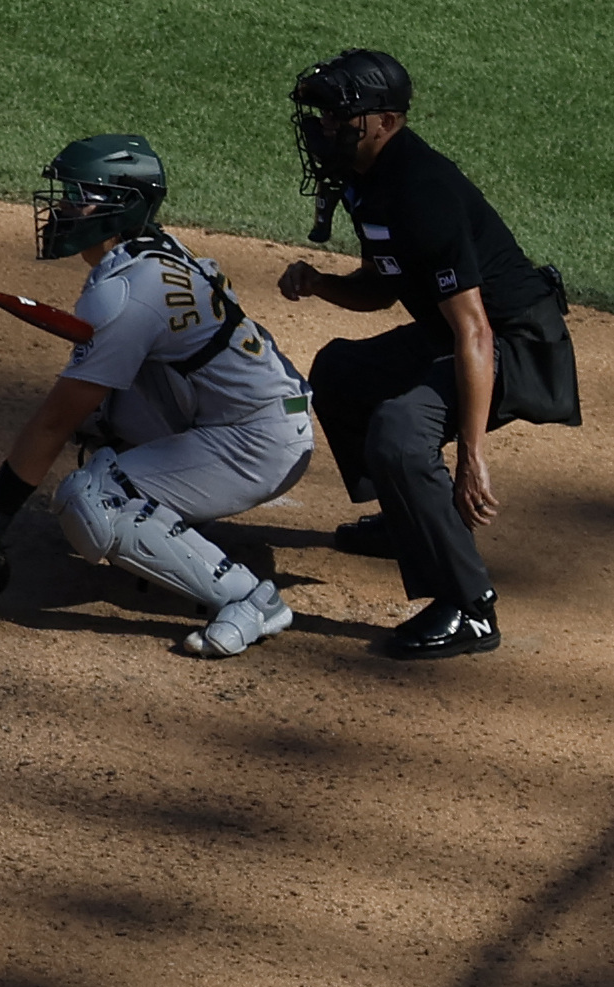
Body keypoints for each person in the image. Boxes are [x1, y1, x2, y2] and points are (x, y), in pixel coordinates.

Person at [0, 134, 314, 658]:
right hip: (246, 414)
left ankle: (250, 598)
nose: (62, 207)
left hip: (255, 442)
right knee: (101, 413)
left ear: (120, 205)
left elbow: (51, 424)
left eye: (78, 195)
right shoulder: (156, 249)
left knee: (90, 500)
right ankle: (174, 498)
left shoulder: (125, 293)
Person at [279, 49, 580, 659]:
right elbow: (384, 287)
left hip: (514, 343)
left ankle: (469, 608)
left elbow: (475, 331)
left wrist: (472, 456)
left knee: (399, 432)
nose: (325, 129)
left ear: (386, 121)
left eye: (340, 117)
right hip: (460, 334)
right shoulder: (366, 181)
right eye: (324, 117)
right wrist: (319, 283)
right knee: (341, 370)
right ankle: (409, 521)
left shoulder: (422, 188)